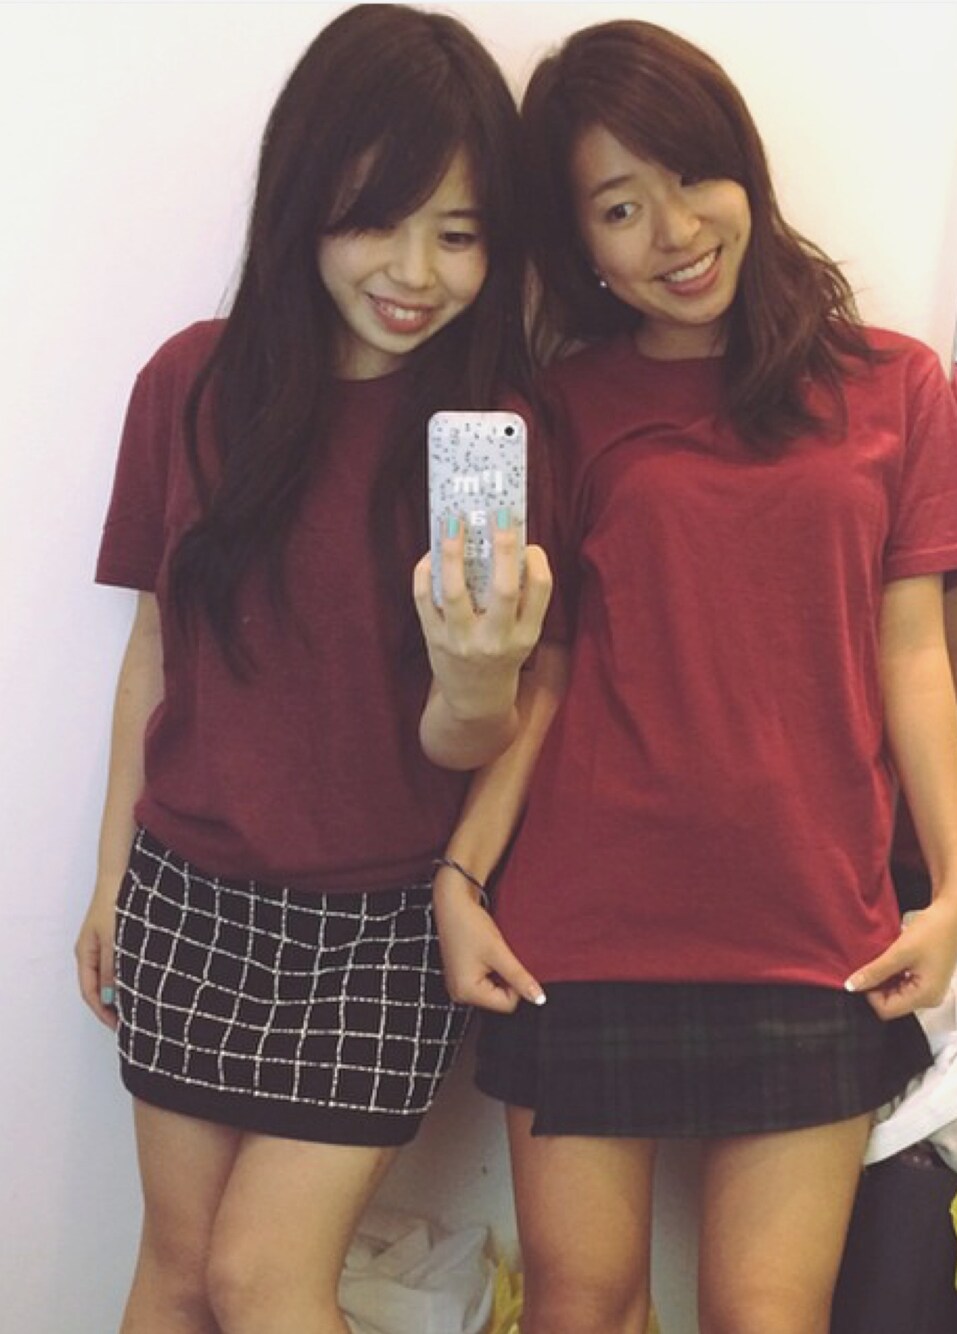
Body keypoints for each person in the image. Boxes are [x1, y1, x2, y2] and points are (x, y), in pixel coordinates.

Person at [429, 19, 957, 1334]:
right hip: (582, 925)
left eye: (692, 177)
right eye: (620, 207)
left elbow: (915, 648)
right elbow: (550, 669)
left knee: (765, 1316)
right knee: (581, 1308)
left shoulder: (898, 387)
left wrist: (955, 883)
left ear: (744, 167)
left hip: (817, 925)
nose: (675, 231)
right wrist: (461, 874)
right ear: (581, 243)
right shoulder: (565, 405)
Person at [73, 7, 551, 1332]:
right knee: (176, 1272)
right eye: (376, 219)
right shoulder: (190, 385)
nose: (416, 272)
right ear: (302, 201)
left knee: (261, 1279)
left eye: (460, 233)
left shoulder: (488, 441)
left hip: (383, 925)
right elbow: (156, 647)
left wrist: (479, 677)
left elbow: (469, 740)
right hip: (187, 893)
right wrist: (111, 875)